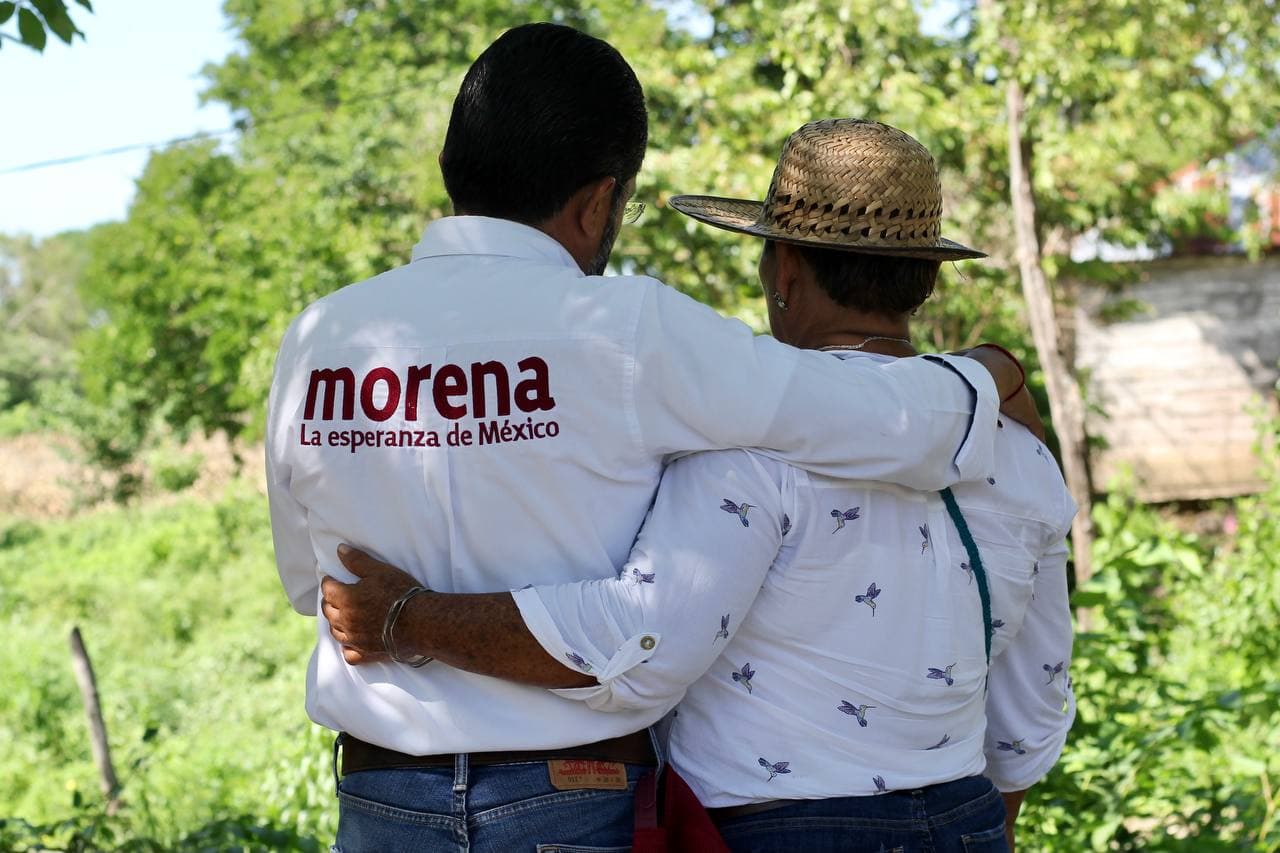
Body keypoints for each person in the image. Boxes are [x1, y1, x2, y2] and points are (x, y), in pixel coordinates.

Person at [268, 23, 1027, 853]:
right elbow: (883, 421)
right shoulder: (625, 330)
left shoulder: (321, 336)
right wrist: (988, 371)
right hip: (574, 796)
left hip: (381, 798)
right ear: (600, 202)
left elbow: (312, 585)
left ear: (455, 164)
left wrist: (410, 615)